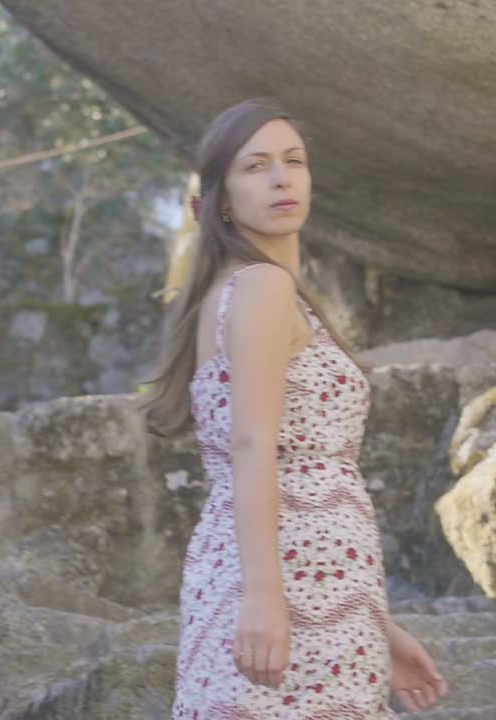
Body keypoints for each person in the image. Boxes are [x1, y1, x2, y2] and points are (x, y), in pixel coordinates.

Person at [137, 98, 448, 718]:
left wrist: (376, 628)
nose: (282, 177)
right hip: (278, 582)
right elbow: (253, 447)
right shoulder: (261, 286)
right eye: (255, 166)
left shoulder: (242, 290)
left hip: (313, 586)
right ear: (222, 199)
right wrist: (263, 596)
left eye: (294, 161)